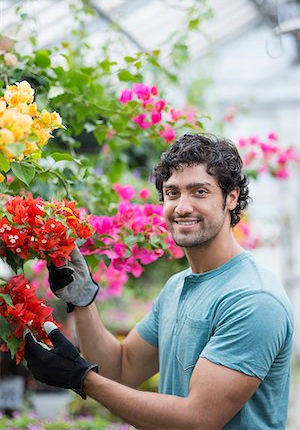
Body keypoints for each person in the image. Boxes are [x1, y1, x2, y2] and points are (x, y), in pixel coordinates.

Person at [25, 133, 294, 430]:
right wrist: (83, 299)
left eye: (200, 192)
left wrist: (82, 378)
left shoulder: (253, 299)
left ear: (231, 197)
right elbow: (121, 369)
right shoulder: (177, 287)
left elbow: (198, 420)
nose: (182, 207)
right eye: (172, 193)